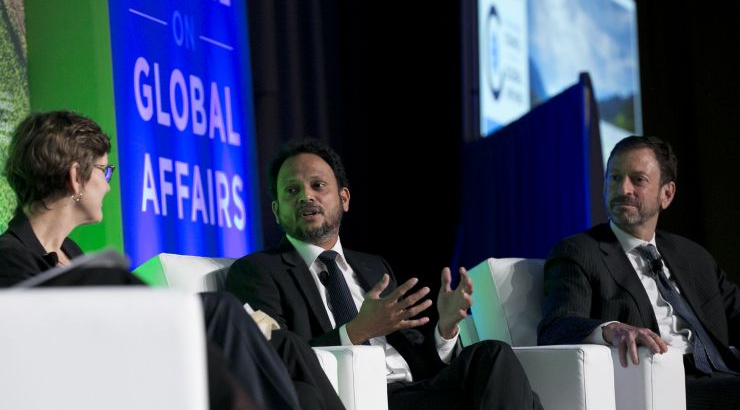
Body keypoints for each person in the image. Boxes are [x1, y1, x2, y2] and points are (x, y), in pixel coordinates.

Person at [0, 110, 343, 410]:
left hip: (135, 360)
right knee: (221, 310)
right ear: (76, 177)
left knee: (286, 347)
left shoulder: (71, 252)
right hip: (113, 376)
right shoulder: (10, 257)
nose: (107, 186)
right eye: (104, 172)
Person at [226, 138, 543, 410]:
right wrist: (356, 331)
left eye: (318, 185)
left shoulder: (372, 267)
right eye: (291, 190)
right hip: (356, 399)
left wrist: (444, 330)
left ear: (344, 199)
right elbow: (274, 359)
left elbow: (419, 361)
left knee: (490, 355)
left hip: (417, 393)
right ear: (276, 211)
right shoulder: (257, 272)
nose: (305, 197)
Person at [538, 135, 740, 410]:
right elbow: (556, 327)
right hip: (661, 386)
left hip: (723, 373)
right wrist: (612, 330)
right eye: (614, 178)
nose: (623, 189)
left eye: (638, 180)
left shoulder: (693, 256)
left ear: (666, 194)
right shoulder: (580, 251)